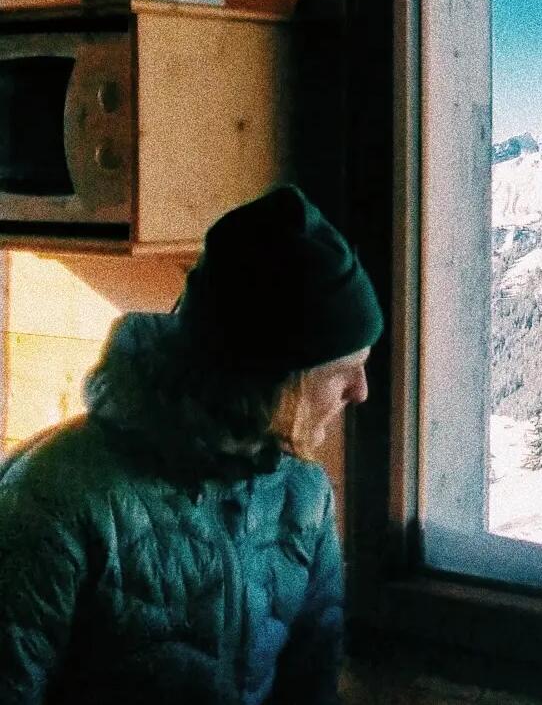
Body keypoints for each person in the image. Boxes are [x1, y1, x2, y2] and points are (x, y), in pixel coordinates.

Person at [0, 185, 382, 705]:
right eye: (343, 370)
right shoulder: (51, 500)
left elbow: (310, 689)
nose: (361, 392)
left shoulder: (304, 496)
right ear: (274, 378)